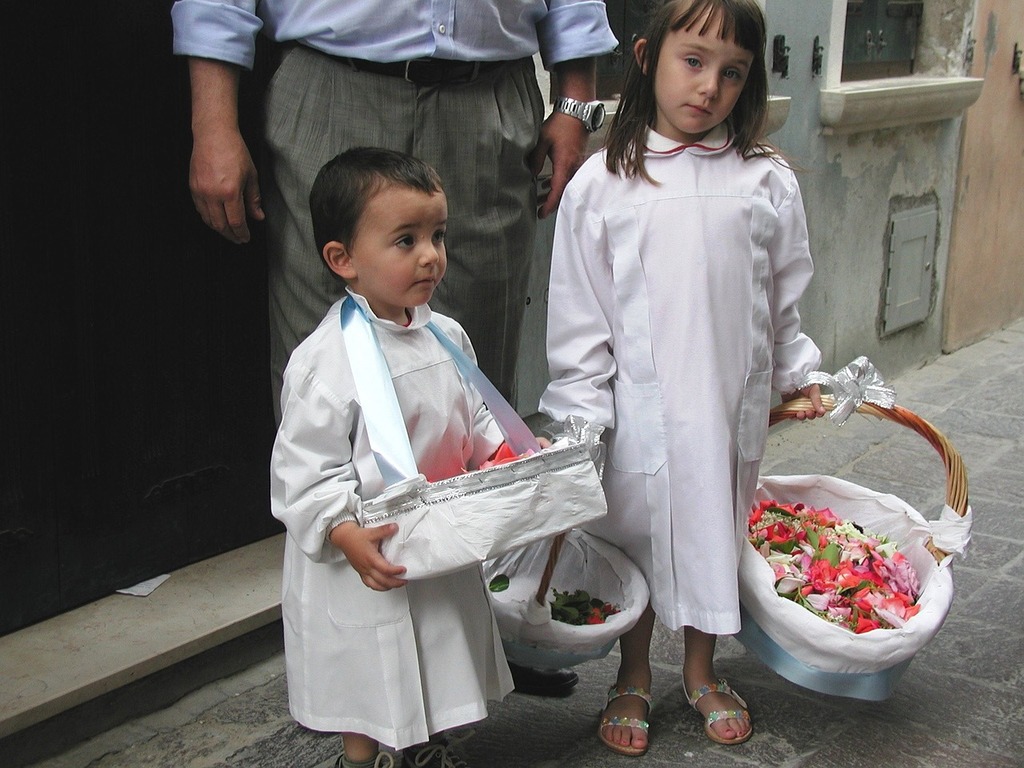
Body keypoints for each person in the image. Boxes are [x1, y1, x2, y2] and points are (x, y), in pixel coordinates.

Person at [172, 0, 617, 699]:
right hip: (335, 88)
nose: (425, 257)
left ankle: (467, 649)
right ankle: (358, 684)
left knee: (465, 394)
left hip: (490, 103)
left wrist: (576, 99)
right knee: (334, 403)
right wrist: (211, 117)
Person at [538, 0, 826, 756]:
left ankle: (700, 668)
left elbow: (782, 295)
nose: (708, 87)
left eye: (731, 73)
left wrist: (795, 374)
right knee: (633, 535)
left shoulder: (766, 181)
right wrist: (579, 411)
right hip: (638, 407)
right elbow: (578, 312)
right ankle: (633, 673)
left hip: (727, 400)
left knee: (712, 529)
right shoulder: (601, 184)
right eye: (692, 61)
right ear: (646, 55)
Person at [272, 147, 545, 768]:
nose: (431, 255)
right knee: (370, 664)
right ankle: (362, 755)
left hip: (434, 534)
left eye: (437, 235)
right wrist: (342, 530)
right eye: (405, 240)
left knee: (433, 647)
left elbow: (471, 416)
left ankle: (424, 744)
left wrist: (509, 454)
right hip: (366, 546)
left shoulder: (445, 335)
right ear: (342, 259)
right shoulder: (324, 363)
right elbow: (304, 469)